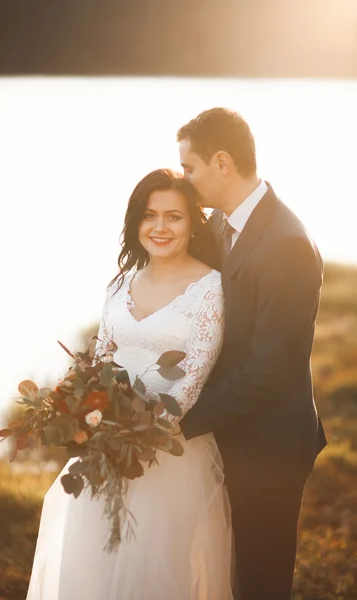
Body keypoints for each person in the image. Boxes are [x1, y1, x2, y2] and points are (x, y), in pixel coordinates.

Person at [26, 169, 234, 600]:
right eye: (149, 215)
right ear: (135, 221)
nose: (160, 228)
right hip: (103, 449)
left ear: (194, 222)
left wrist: (141, 433)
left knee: (153, 568)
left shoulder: (210, 288)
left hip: (168, 451)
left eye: (173, 217)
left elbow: (192, 376)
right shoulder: (121, 283)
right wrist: (87, 416)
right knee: (90, 559)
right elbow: (100, 359)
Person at [177, 107, 327, 600]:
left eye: (189, 168)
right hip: (231, 437)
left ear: (222, 163)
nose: (186, 180)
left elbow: (270, 367)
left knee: (262, 582)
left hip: (269, 449)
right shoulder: (222, 224)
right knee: (227, 574)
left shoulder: (286, 243)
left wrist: (183, 420)